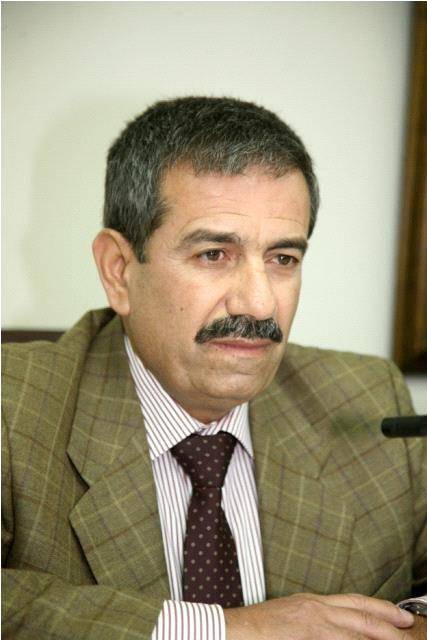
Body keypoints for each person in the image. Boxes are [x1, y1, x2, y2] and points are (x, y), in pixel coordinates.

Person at [2, 96, 426, 640]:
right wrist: (226, 630)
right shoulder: (13, 407)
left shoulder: (367, 399)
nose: (259, 303)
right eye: (213, 255)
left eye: (282, 259)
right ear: (118, 270)